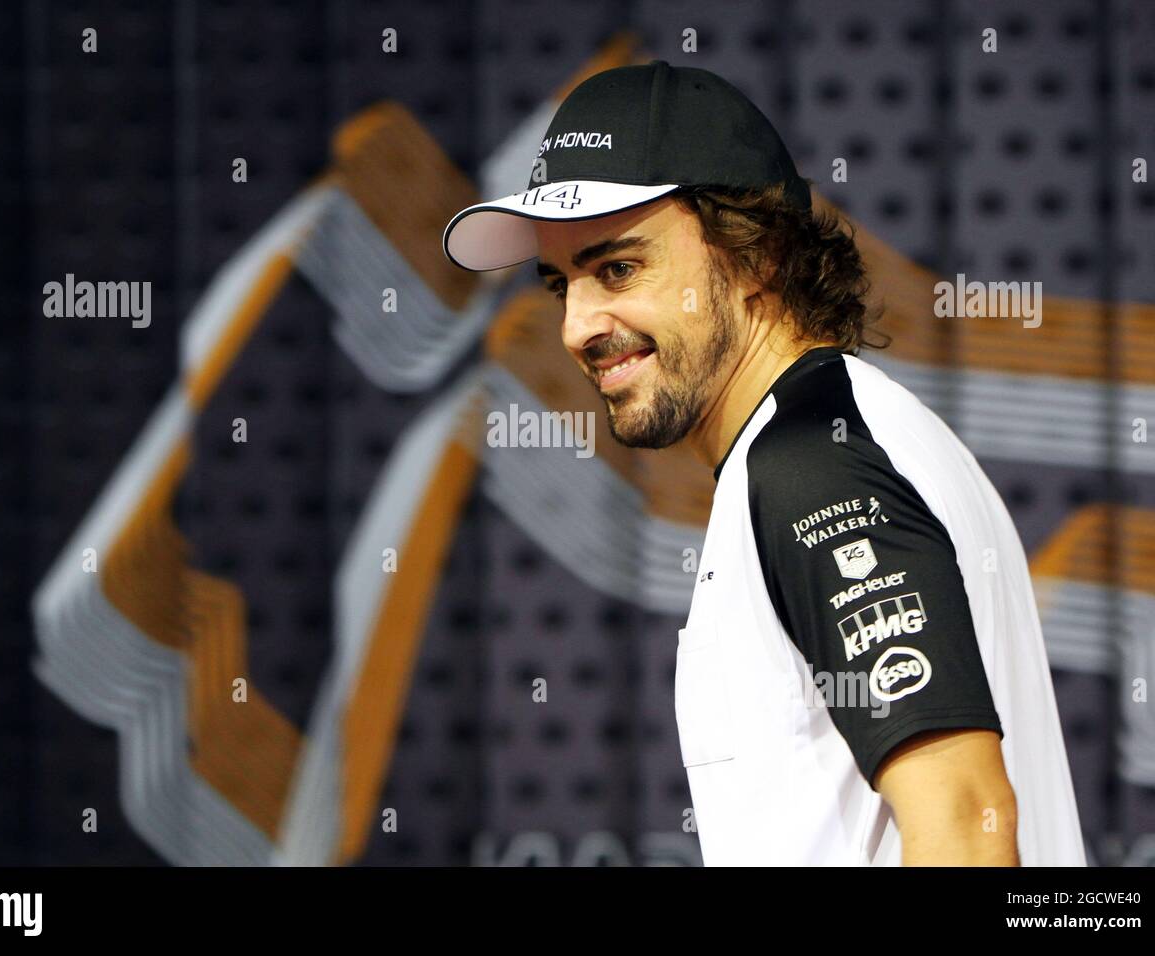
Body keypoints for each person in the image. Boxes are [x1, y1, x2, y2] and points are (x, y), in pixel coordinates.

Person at [442, 59, 1086, 866]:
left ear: (761, 258)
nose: (577, 326)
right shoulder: (838, 438)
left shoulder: (816, 466)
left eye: (618, 268)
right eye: (558, 282)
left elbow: (962, 818)